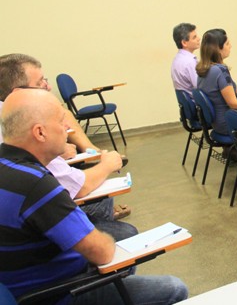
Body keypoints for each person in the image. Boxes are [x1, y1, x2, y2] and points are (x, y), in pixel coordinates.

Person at [0, 88, 188, 303]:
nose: (68, 128)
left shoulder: (10, 168)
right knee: (173, 288)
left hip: (23, 283)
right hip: (59, 293)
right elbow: (102, 253)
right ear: (40, 132)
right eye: (61, 121)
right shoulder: (36, 185)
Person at [0, 54, 136, 240]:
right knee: (123, 229)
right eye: (40, 83)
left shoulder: (12, 119)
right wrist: (108, 164)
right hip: (34, 235)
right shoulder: (27, 125)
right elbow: (77, 186)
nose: (48, 87)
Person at [171, 22, 200, 97]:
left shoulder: (177, 59)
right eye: (194, 37)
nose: (199, 39)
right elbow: (200, 86)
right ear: (184, 43)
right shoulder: (190, 62)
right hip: (197, 105)